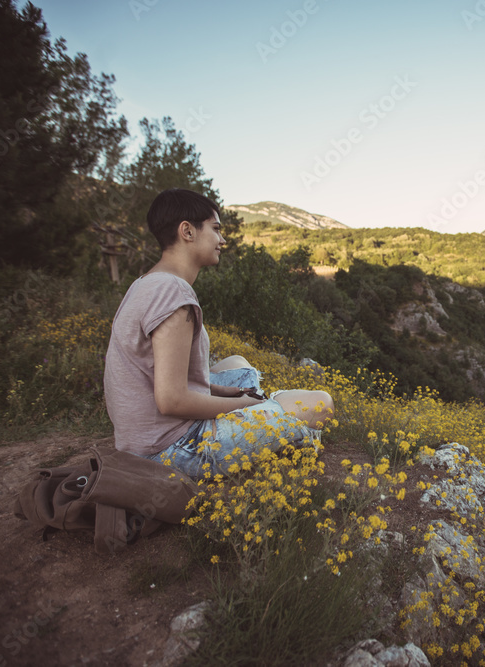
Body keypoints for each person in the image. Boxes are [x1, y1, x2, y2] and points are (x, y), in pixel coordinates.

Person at [103, 188, 333, 479]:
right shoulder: (172, 292)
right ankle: (280, 420)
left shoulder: (147, 283)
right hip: (170, 447)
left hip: (142, 437)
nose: (222, 240)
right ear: (187, 231)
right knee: (321, 403)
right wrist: (242, 406)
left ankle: (269, 406)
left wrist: (226, 392)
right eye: (215, 229)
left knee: (238, 363)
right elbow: (171, 400)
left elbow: (162, 376)